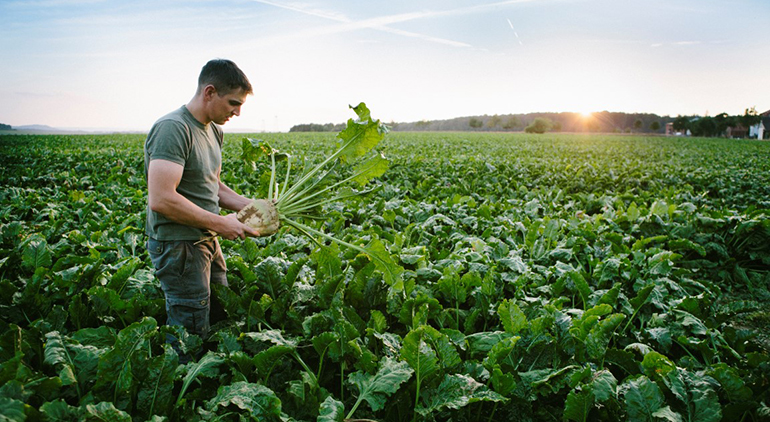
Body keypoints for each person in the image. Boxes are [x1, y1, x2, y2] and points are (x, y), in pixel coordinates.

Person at [143, 59, 268, 358]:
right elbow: (161, 199)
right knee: (190, 327)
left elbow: (213, 185)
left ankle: (209, 379)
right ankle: (181, 386)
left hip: (206, 239)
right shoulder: (173, 129)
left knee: (218, 310)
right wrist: (221, 223)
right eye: (233, 103)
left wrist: (254, 207)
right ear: (209, 92)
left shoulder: (213, 130)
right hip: (179, 246)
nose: (237, 112)